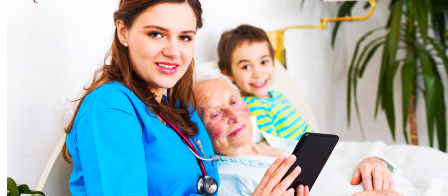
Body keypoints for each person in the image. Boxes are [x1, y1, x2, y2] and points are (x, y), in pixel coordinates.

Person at [62, 0, 309, 195]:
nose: (173, 51)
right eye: (156, 34)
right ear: (123, 32)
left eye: (185, 37)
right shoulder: (109, 108)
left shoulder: (181, 112)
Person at [193, 74, 399, 195]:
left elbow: (350, 151)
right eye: (216, 114)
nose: (234, 116)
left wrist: (374, 161)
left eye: (233, 102)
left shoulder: (281, 140)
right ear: (199, 130)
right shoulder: (227, 179)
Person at [217, 24, 312, 141]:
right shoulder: (250, 107)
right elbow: (274, 146)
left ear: (273, 62)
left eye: (263, 62)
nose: (258, 73)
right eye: (246, 67)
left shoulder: (277, 95)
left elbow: (306, 130)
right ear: (228, 73)